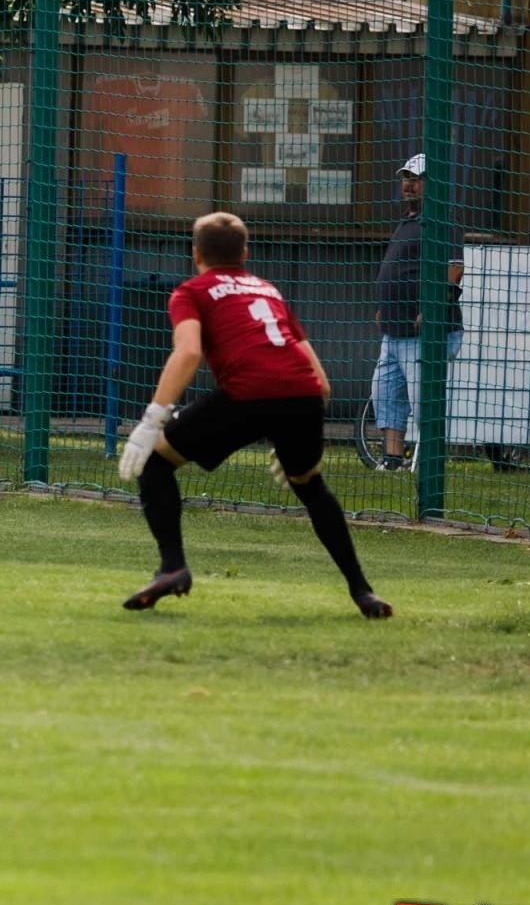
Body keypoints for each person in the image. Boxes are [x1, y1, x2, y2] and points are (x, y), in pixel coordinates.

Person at [116, 211, 391, 620]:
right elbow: (321, 380)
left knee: (156, 462)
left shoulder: (192, 291)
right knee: (310, 484)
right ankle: (362, 591)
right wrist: (294, 431)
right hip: (302, 394)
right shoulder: (267, 290)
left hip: (247, 393)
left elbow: (188, 352)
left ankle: (172, 567)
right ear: (244, 252)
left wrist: (153, 418)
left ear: (196, 254)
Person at [370, 152, 464, 471]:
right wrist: (385, 306)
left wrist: (434, 308)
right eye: (405, 179)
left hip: (425, 331)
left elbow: (454, 269)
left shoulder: (441, 222)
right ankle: (392, 459)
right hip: (394, 330)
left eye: (416, 180)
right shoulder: (407, 221)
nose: (408, 185)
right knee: (385, 393)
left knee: (424, 399)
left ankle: (427, 461)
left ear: (432, 185)